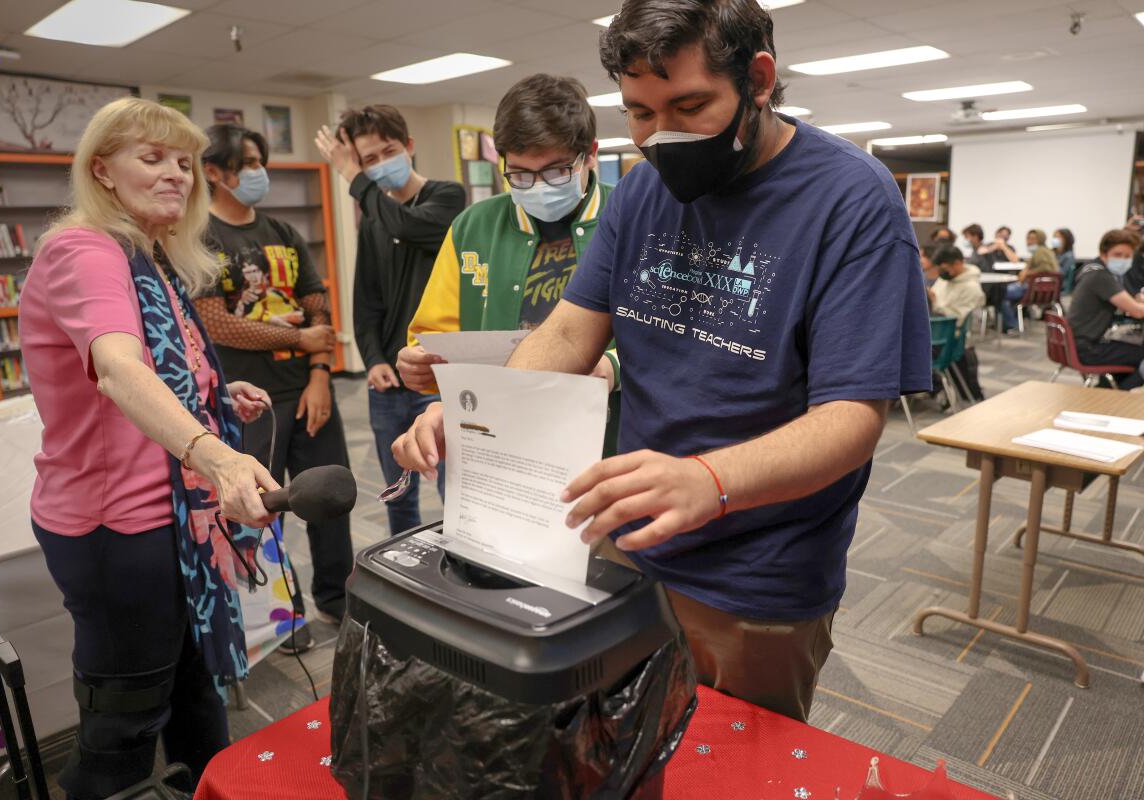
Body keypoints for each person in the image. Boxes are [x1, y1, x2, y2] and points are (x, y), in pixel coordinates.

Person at [394, 0, 931, 722]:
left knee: (730, 769)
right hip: (629, 544)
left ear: (759, 79)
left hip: (758, 575)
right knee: (618, 745)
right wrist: (474, 414)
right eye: (639, 114)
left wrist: (710, 479)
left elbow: (852, 420)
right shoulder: (642, 190)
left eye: (689, 105)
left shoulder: (850, 200)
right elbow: (565, 337)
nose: (661, 136)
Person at [18, 97, 279, 797]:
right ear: (101, 170)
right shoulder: (84, 249)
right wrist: (218, 454)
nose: (178, 175)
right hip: (118, 527)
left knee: (194, 697)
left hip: (173, 521)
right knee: (123, 734)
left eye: (186, 162)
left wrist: (217, 401)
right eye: (153, 157)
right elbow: (118, 367)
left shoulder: (148, 256)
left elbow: (167, 365)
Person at [195, 124, 352, 649]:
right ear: (214, 172)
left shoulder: (284, 232)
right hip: (250, 403)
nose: (259, 172)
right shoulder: (201, 238)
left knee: (328, 502)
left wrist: (320, 372)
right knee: (264, 511)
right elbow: (217, 323)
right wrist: (303, 336)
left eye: (262, 161)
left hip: (307, 391)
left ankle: (338, 597)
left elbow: (318, 305)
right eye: (248, 163)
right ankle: (287, 618)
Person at [396, 73, 619, 413]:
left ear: (590, 154)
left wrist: (612, 366)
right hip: (500, 424)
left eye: (556, 171)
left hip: (611, 429)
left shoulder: (631, 218)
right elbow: (432, 335)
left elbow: (673, 338)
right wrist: (418, 361)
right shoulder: (473, 227)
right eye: (520, 174)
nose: (538, 186)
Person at [314, 106, 466, 534]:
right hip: (389, 384)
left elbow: (409, 225)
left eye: (389, 152)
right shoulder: (374, 220)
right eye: (368, 160)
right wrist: (373, 357)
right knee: (397, 491)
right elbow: (367, 299)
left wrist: (352, 177)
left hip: (438, 377)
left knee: (454, 489)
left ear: (410, 147)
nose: (380, 165)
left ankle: (465, 569)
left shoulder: (449, 197)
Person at [1065, 229, 1144, 389]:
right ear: (1104, 254)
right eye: (1118, 255)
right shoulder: (1101, 276)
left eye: (1127, 256)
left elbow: (1127, 297)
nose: (1123, 260)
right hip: (1086, 348)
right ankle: (1115, 396)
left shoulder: (1094, 270)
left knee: (1136, 354)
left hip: (1077, 343)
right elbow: (1137, 311)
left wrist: (1138, 301)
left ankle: (1106, 390)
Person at [927, 245, 985, 400]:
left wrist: (935, 302)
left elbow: (959, 318)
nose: (942, 273)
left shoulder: (972, 288)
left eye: (945, 268)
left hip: (948, 340)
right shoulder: (946, 279)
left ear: (958, 264)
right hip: (933, 331)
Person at [1001, 228, 1059, 334]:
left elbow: (1045, 269)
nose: (1029, 241)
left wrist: (1027, 273)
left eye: (1033, 239)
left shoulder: (1040, 252)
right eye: (1028, 238)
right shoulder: (1046, 251)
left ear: (1040, 239)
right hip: (1041, 290)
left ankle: (1012, 325)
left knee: (999, 294)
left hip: (1033, 290)